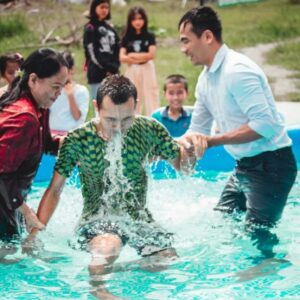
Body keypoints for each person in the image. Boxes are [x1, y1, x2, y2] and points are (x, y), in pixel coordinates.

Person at [28, 75, 191, 298]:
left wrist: (190, 147)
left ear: (137, 106)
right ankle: (100, 290)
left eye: (126, 119)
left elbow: (183, 166)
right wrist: (35, 235)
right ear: (96, 108)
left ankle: (114, 270)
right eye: (110, 120)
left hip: (137, 218)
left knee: (167, 259)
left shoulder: (150, 129)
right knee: (108, 245)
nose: (118, 127)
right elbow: (55, 189)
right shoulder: (78, 139)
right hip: (96, 219)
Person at [178, 7, 297, 256]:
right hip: (244, 165)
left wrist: (212, 141)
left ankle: (267, 276)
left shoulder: (238, 71)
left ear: (207, 37)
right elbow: (196, 129)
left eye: (186, 40)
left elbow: (266, 125)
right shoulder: (205, 78)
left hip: (272, 166)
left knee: (258, 235)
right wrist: (170, 146)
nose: (183, 49)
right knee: (222, 220)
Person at [0, 48, 68, 251]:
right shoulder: (24, 117)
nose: (59, 94)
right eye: (55, 86)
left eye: (63, 87)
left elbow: (45, 144)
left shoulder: (39, 108)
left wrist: (73, 143)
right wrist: (27, 213)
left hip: (9, 201)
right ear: (33, 80)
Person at [119, 6, 160, 116]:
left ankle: (154, 120)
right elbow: (122, 57)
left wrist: (132, 55)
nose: (137, 22)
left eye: (140, 18)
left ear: (144, 20)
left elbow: (151, 55)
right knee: (133, 95)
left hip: (147, 68)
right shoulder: (126, 37)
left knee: (151, 94)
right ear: (130, 21)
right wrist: (141, 56)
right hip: (132, 69)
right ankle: (134, 122)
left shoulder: (149, 36)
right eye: (134, 19)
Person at [83, 0, 120, 101]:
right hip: (97, 73)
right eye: (102, 7)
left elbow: (117, 49)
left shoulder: (111, 29)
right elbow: (91, 53)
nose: (105, 10)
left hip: (113, 73)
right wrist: (107, 68)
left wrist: (115, 67)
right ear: (95, 8)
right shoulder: (90, 28)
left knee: (114, 104)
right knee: (100, 106)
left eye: (107, 8)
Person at [49, 51, 90, 136]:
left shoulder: (81, 91)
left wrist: (70, 96)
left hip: (71, 137)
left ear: (72, 70)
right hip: (51, 136)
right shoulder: (51, 89)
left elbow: (77, 117)